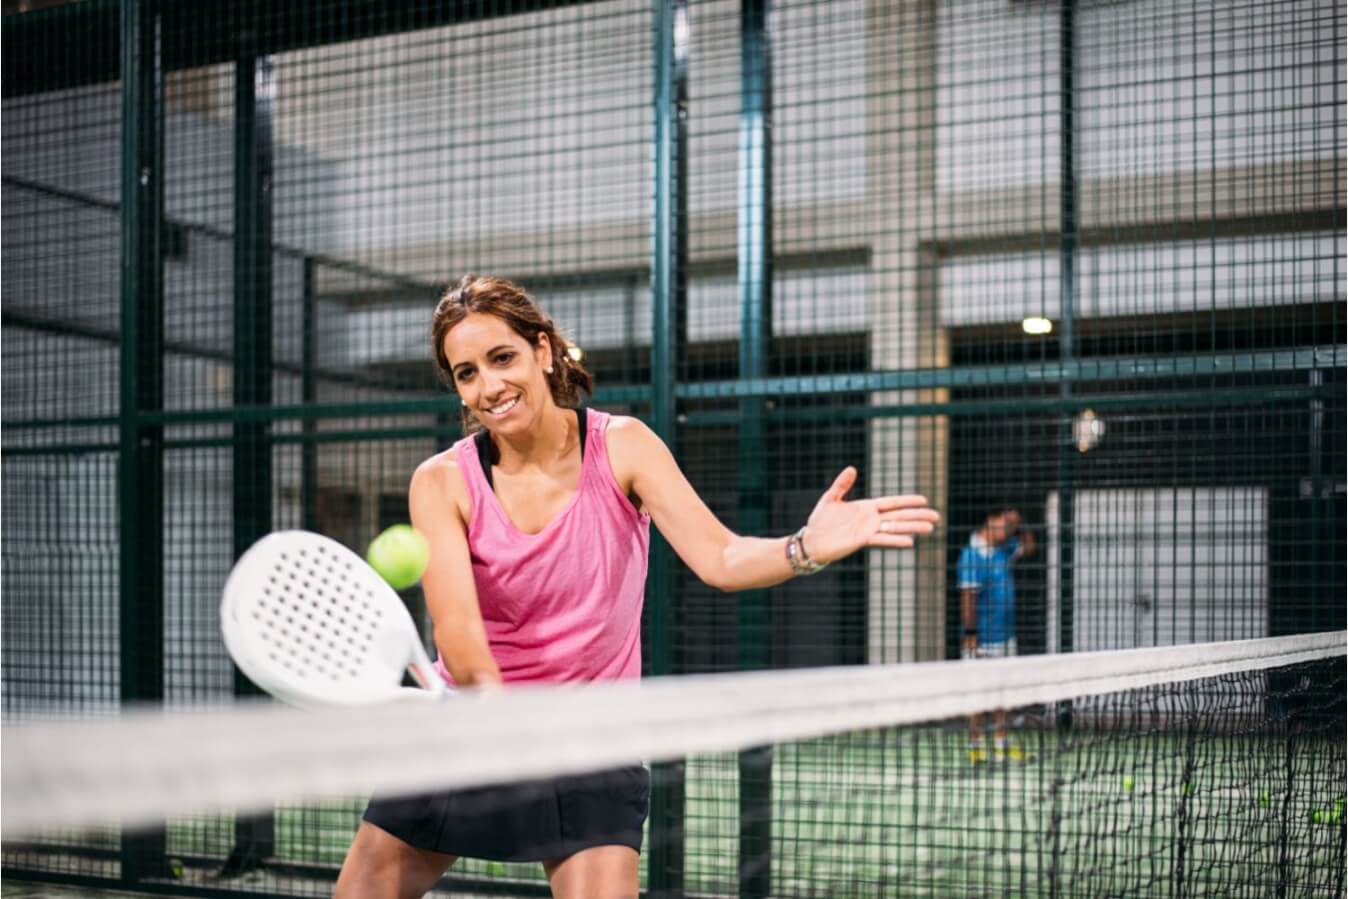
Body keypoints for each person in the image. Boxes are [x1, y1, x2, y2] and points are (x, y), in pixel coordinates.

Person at [334, 274, 941, 899]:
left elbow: (721, 556)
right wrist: (492, 706)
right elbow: (459, 630)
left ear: (542, 351)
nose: (489, 386)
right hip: (474, 725)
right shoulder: (441, 482)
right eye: (467, 373)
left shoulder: (622, 447)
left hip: (593, 742)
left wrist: (805, 546)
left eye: (502, 358)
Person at [957, 507, 1035, 763]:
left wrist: (1020, 525)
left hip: (1006, 636)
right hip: (980, 639)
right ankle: (976, 746)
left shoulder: (1004, 549)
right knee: (977, 694)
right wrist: (971, 633)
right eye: (1006, 523)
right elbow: (968, 598)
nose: (1009, 530)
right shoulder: (971, 555)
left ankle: (1002, 744)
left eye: (1013, 526)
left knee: (1004, 693)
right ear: (990, 520)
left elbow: (1030, 548)